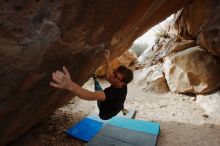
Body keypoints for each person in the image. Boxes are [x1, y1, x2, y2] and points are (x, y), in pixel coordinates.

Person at [50, 50, 133, 120]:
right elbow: (108, 75)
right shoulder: (123, 85)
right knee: (113, 100)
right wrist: (107, 61)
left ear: (122, 83)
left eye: (116, 77)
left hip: (105, 114)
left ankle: (117, 106)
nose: (111, 76)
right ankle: (120, 106)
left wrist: (69, 85)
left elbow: (88, 95)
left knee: (99, 91)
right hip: (116, 105)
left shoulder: (109, 93)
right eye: (114, 73)